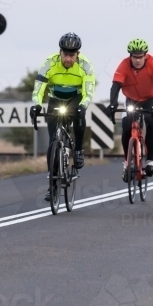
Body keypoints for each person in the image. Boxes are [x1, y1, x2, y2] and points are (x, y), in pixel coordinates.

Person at [30, 32, 95, 203]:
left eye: (71, 55)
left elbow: (89, 91)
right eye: (65, 54)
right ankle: (52, 185)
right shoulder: (49, 63)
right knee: (53, 142)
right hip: (55, 98)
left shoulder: (86, 66)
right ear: (60, 52)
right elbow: (39, 88)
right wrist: (36, 104)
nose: (68, 59)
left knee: (80, 118)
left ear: (77, 55)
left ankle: (79, 150)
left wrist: (83, 105)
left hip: (75, 98)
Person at [110, 38, 153, 179]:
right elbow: (116, 86)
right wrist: (112, 104)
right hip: (132, 100)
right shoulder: (124, 65)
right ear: (130, 56)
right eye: (135, 57)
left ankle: (150, 161)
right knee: (126, 125)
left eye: (140, 57)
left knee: (150, 122)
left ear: (145, 55)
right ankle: (127, 162)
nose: (138, 60)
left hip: (150, 99)